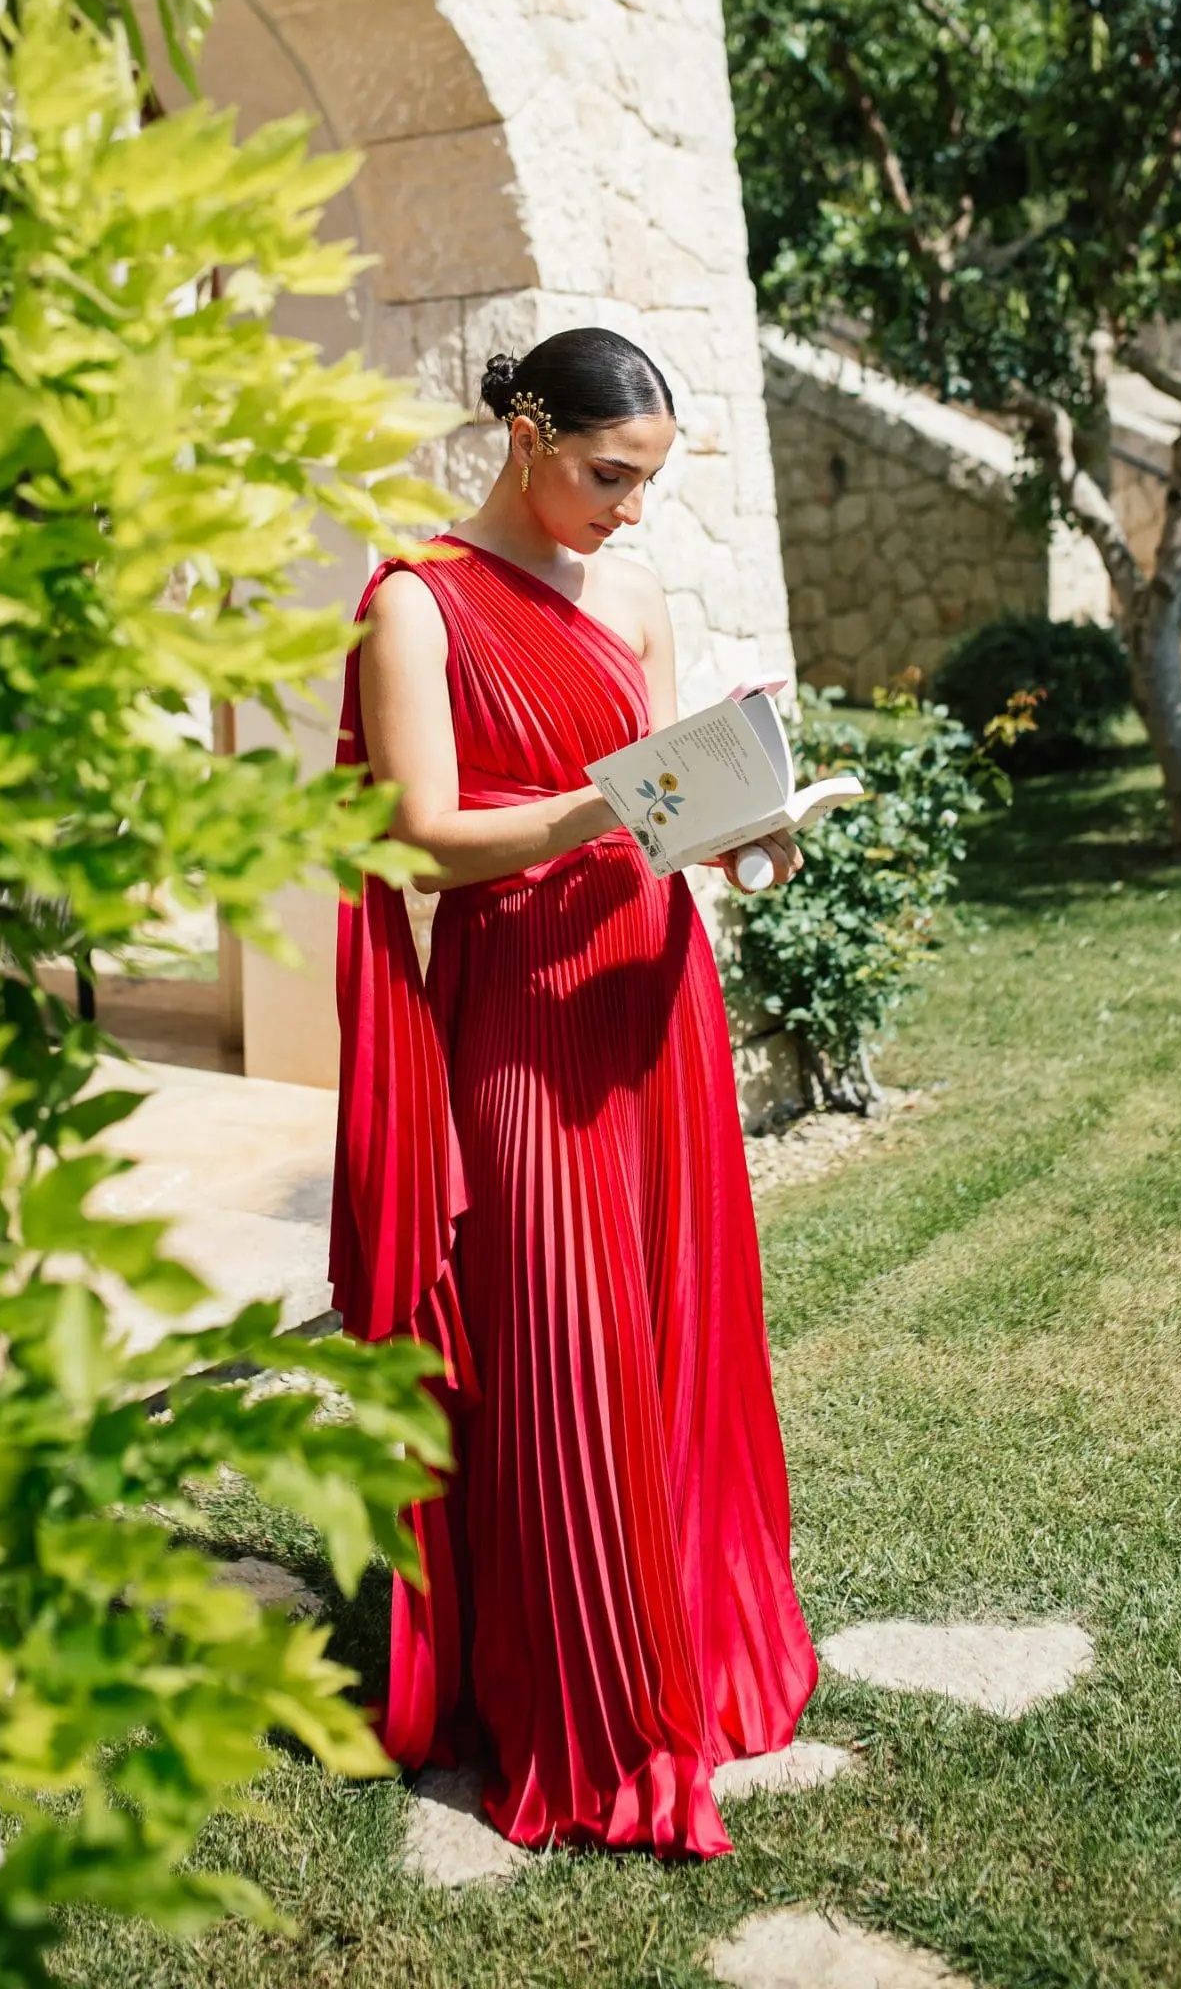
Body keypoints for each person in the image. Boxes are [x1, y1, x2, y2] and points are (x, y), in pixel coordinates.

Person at [329, 326, 818, 1857]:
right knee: (556, 1335)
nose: (626, 512)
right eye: (608, 476)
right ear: (526, 436)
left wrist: (748, 832)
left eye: (648, 484)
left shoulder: (637, 592)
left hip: (648, 988)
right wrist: (598, 807)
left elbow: (671, 799)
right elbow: (417, 841)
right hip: (520, 1008)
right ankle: (577, 1698)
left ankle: (690, 1642)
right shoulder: (414, 604)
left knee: (667, 1328)